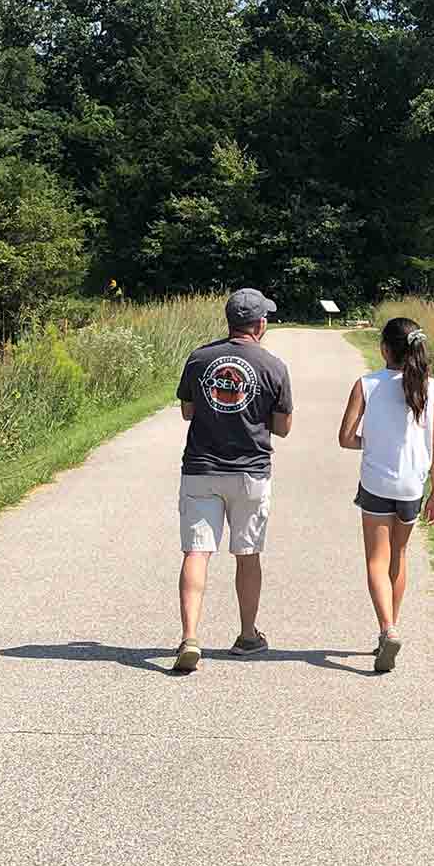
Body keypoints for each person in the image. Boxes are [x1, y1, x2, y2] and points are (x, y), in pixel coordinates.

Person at [172, 288, 293, 673]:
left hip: (201, 469)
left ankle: (190, 636)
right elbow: (283, 427)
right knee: (247, 554)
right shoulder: (273, 365)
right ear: (260, 324)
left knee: (197, 551)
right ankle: (247, 635)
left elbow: (187, 411)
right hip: (250, 471)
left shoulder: (199, 358)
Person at [335, 316, 434, 673]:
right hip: (413, 486)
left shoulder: (366, 384)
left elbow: (346, 437)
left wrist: (373, 442)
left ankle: (387, 628)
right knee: (399, 556)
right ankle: (390, 627)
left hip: (377, 484)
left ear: (384, 348)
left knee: (376, 561)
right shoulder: (430, 388)